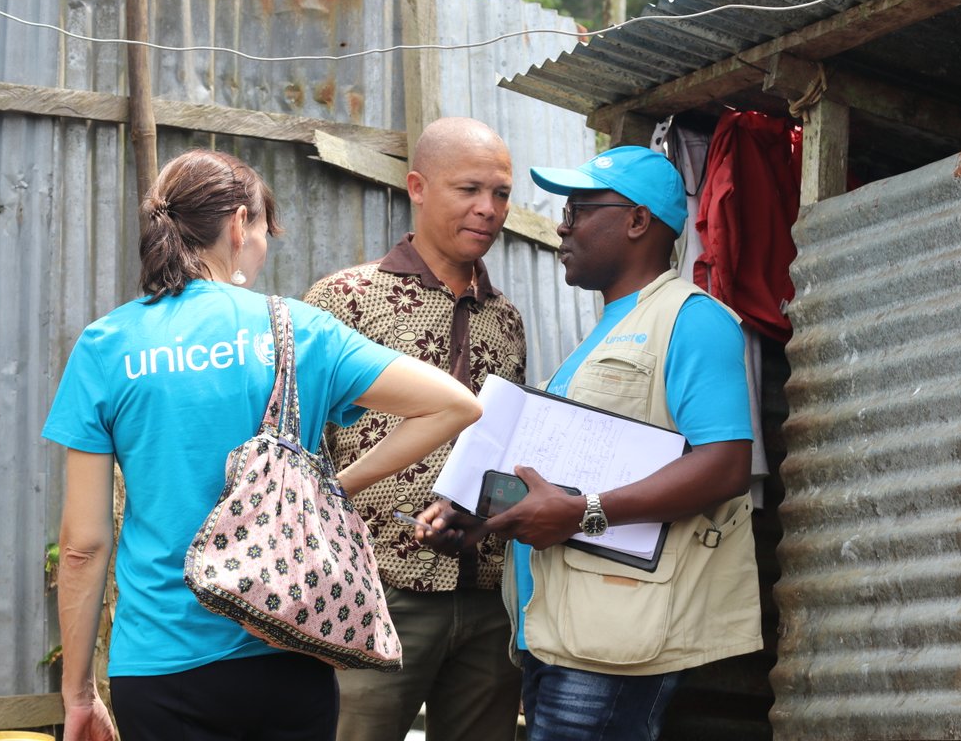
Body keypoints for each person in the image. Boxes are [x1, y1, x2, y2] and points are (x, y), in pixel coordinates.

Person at [43, 149, 482, 741]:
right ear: (237, 225)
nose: (262, 248)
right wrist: (335, 488)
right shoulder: (299, 330)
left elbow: (82, 546)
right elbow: (455, 404)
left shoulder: (106, 346)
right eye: (263, 233)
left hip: (157, 661)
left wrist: (78, 695)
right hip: (285, 643)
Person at [417, 146, 762, 741]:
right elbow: (573, 477)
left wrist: (583, 513)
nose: (563, 226)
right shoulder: (604, 333)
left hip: (617, 637)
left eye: (578, 210)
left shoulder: (692, 319)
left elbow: (726, 465)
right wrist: (488, 520)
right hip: (557, 630)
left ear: (638, 221)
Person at [304, 117, 526, 741]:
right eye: (469, 189)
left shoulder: (507, 319)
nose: (488, 209)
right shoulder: (344, 299)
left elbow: (506, 451)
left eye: (501, 194)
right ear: (418, 188)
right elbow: (299, 446)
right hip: (370, 592)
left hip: (487, 599)